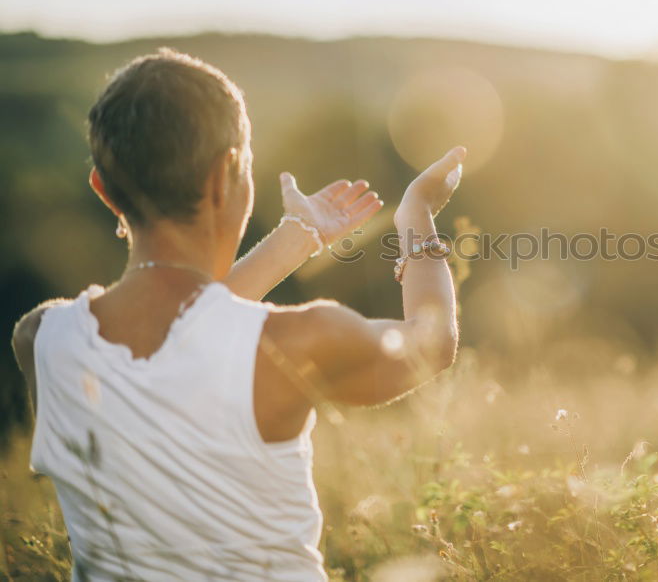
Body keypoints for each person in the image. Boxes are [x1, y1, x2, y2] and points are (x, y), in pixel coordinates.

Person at [10, 48, 466, 581]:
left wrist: (298, 239)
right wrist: (417, 215)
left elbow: (185, 333)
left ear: (104, 190)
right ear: (227, 174)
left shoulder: (41, 338)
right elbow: (432, 343)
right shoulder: (294, 342)